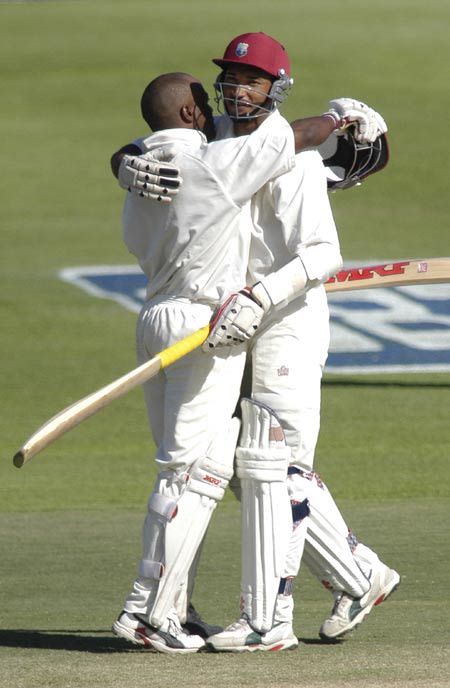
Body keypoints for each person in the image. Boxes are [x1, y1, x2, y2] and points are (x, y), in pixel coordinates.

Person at [111, 33, 399, 651]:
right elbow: (162, 129)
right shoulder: (212, 140)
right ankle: (358, 575)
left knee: (276, 467)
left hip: (285, 316)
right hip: (220, 321)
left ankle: (269, 618)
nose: (239, 89)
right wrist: (124, 157)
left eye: (253, 79)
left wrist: (262, 298)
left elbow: (323, 252)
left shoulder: (289, 159)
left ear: (277, 88)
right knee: (237, 468)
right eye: (231, 78)